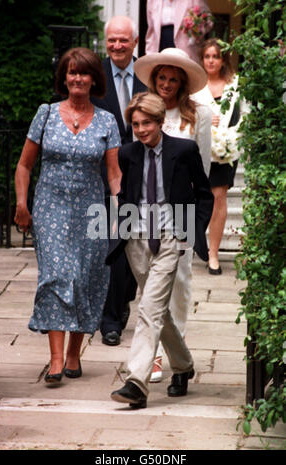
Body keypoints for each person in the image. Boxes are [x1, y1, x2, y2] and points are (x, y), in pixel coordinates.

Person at [14, 47, 121, 384]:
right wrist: (21, 204)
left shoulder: (107, 121)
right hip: (50, 208)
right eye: (71, 72)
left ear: (94, 80)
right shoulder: (45, 113)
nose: (77, 78)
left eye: (84, 73)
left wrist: (121, 210)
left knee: (86, 278)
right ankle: (56, 360)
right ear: (64, 78)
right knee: (58, 276)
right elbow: (24, 164)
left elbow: (114, 173)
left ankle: (75, 353)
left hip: (90, 209)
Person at [109, 92, 213, 409]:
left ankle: (136, 382)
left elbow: (205, 194)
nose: (141, 130)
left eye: (147, 124)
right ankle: (183, 366)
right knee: (158, 311)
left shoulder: (183, 150)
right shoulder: (127, 154)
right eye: (136, 124)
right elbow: (127, 195)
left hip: (170, 236)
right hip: (137, 239)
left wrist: (191, 232)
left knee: (148, 309)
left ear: (159, 121)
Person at [134, 47, 212, 382]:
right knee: (147, 287)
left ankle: (173, 358)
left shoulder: (199, 116)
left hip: (179, 215)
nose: (166, 84)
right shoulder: (143, 109)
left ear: (182, 83)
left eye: (173, 79)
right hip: (143, 213)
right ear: (155, 79)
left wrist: (195, 223)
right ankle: (151, 356)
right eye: (162, 77)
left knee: (178, 285)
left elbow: (203, 171)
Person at [91, 16, 147, 347]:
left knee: (132, 248)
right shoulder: (94, 76)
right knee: (112, 244)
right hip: (102, 175)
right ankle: (109, 320)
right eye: (111, 40)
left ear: (134, 42)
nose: (117, 46)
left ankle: (123, 300)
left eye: (123, 40)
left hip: (142, 178)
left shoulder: (147, 75)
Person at [192, 38, 250, 274]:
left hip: (227, 150)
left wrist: (234, 137)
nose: (212, 61)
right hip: (199, 150)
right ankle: (196, 239)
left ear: (223, 59)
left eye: (216, 56)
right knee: (199, 198)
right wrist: (202, 117)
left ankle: (213, 254)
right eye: (207, 56)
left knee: (219, 198)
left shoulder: (235, 84)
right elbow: (184, 113)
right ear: (202, 59)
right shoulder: (195, 85)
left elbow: (245, 114)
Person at [145, 0, 212, 63]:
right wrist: (149, 52)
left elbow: (208, 20)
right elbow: (151, 30)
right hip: (160, 46)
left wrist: (197, 31)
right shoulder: (152, 1)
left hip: (186, 49)